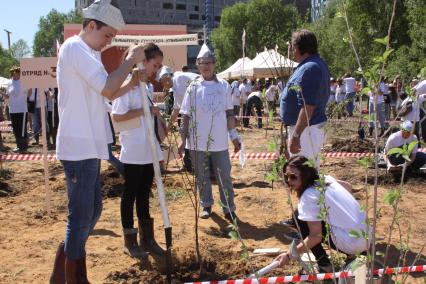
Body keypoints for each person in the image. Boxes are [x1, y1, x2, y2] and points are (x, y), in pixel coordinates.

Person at [50, 0, 147, 282]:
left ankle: (64, 271)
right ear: (91, 25)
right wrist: (129, 60)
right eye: (107, 36)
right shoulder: (75, 48)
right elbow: (107, 87)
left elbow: (108, 93)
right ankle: (72, 277)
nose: (108, 43)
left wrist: (130, 81)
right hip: (78, 144)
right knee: (81, 217)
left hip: (89, 144)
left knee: (91, 211)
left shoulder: (89, 54)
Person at [112, 43, 165, 258]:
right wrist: (144, 111)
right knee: (130, 194)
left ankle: (148, 239)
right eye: (155, 64)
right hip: (133, 149)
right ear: (143, 62)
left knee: (144, 194)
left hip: (148, 149)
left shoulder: (147, 87)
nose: (157, 69)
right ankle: (130, 240)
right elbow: (117, 116)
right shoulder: (127, 86)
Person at [178, 44, 240, 221]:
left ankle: (228, 208)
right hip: (197, 142)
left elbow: (229, 113)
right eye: (202, 62)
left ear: (214, 64)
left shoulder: (224, 86)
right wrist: (183, 141)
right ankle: (206, 205)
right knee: (202, 176)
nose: (206, 66)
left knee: (224, 176)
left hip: (219, 142)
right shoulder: (193, 87)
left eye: (209, 62)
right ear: (197, 65)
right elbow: (186, 116)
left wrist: (234, 137)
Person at [275, 156, 369, 272]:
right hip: (367, 238)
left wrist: (289, 255)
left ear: (306, 175)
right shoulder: (325, 179)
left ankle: (324, 264)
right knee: (301, 213)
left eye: (293, 177)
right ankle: (355, 254)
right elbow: (348, 186)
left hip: (352, 244)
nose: (289, 180)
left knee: (299, 218)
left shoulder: (308, 196)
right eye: (286, 176)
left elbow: (316, 236)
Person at [279, 29, 329, 167]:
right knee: (306, 174)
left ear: (300, 47)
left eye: (293, 46)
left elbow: (308, 106)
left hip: (306, 132)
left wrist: (296, 136)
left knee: (305, 175)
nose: (292, 50)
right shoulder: (311, 65)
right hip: (306, 131)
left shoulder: (310, 68)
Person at [158, 66, 198, 172]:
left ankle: (197, 166)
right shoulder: (176, 85)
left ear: (166, 78)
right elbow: (176, 110)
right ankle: (189, 164)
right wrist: (168, 125)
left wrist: (182, 133)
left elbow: (186, 109)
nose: (162, 85)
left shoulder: (179, 80)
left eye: (161, 81)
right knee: (188, 135)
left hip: (199, 111)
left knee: (190, 136)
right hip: (195, 111)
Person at [5, 66, 29, 153]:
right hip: (13, 109)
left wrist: (31, 87)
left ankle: (24, 147)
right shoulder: (9, 83)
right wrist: (2, 94)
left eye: (17, 72)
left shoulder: (24, 81)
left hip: (22, 109)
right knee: (15, 128)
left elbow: (29, 94)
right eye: (13, 73)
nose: (15, 74)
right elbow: (7, 95)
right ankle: (19, 146)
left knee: (23, 128)